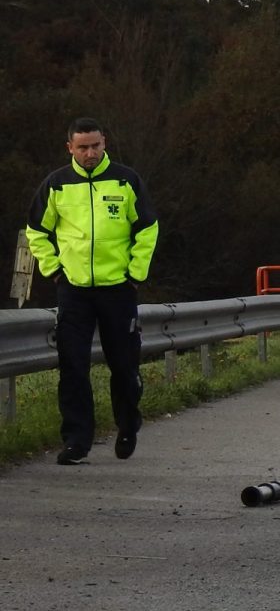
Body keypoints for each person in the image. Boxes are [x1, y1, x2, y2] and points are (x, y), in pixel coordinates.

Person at [24, 117, 159, 465]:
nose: (90, 153)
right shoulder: (56, 184)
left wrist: (134, 274)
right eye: (82, 147)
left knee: (124, 365)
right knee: (73, 366)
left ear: (104, 143)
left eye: (95, 145)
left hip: (119, 289)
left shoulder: (126, 179)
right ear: (70, 147)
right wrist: (54, 270)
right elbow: (36, 231)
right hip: (74, 291)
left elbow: (147, 228)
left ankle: (128, 425)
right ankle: (76, 440)